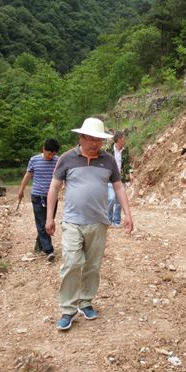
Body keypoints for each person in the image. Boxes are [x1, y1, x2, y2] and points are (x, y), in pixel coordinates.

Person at [45, 118, 133, 331]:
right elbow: (54, 187)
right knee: (71, 263)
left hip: (99, 222)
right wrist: (50, 217)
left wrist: (128, 214)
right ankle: (68, 308)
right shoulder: (67, 158)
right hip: (72, 221)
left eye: (99, 140)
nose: (95, 144)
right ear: (81, 137)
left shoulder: (109, 160)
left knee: (92, 266)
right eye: (91, 139)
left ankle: (85, 301)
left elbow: (118, 187)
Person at [18, 138, 60, 262]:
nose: (51, 156)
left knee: (49, 222)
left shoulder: (58, 161)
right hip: (38, 196)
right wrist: (21, 190)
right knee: (42, 223)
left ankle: (39, 245)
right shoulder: (34, 160)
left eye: (53, 154)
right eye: (49, 153)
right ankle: (49, 250)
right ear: (43, 149)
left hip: (52, 197)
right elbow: (27, 176)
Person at [106, 130, 135, 227]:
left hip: (120, 178)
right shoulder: (108, 150)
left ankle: (116, 221)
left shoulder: (125, 151)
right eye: (124, 138)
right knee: (111, 199)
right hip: (110, 178)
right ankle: (108, 220)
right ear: (119, 139)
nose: (125, 140)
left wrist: (130, 174)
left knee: (119, 202)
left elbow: (127, 163)